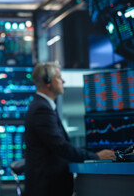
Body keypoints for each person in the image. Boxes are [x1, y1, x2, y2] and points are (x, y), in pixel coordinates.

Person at [24, 62, 115, 196]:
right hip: (46, 186)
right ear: (47, 81)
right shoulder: (41, 109)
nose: (63, 81)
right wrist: (95, 156)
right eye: (59, 78)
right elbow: (60, 146)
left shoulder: (43, 106)